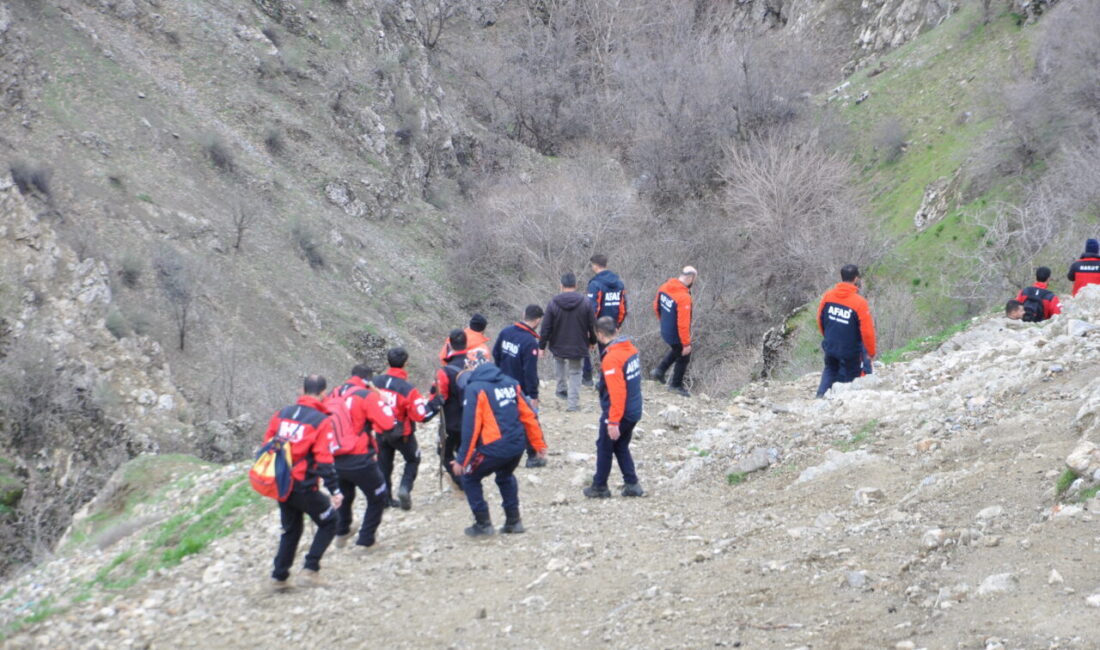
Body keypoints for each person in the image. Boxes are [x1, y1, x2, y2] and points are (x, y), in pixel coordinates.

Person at [263, 375, 343, 590]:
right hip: (303, 485)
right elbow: (324, 459)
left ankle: (279, 577)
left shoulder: (283, 413)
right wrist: (335, 489)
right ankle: (310, 570)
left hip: (280, 482)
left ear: (302, 390)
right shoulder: (320, 420)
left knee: (291, 529)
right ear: (324, 393)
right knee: (330, 521)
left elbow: (268, 443)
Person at [451, 358, 547, 537]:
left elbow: (471, 427)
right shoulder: (511, 383)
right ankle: (514, 521)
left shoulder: (475, 389)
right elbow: (529, 416)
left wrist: (462, 460)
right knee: (505, 476)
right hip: (516, 446)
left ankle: (483, 524)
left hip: (493, 447)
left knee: (469, 477)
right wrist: (538, 444)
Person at [328, 366, 397, 551]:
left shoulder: (334, 393)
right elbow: (388, 424)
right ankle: (366, 540)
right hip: (358, 456)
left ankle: (342, 530)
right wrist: (384, 401)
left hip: (334, 455)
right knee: (378, 496)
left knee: (346, 494)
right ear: (368, 380)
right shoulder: (366, 396)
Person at [584, 317, 644, 499]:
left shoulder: (612, 358)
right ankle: (632, 484)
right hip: (634, 409)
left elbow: (617, 393)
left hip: (620, 412)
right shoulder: (631, 350)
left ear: (600, 334)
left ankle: (599, 486)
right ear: (616, 330)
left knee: (604, 446)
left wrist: (613, 421)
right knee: (620, 446)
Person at [371, 347, 436, 511]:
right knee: (413, 459)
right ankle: (404, 488)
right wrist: (435, 404)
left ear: (387, 362)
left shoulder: (375, 383)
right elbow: (421, 416)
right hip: (402, 433)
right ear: (406, 363)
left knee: (384, 465)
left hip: (380, 430)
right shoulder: (408, 389)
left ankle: (385, 499)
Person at [492, 304, 546, 468]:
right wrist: (534, 395)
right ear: (537, 321)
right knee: (529, 421)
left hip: (502, 384)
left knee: (506, 421)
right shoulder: (530, 341)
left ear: (524, 314)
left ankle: (502, 454)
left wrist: (501, 374)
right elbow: (529, 371)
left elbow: (496, 354)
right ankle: (533, 456)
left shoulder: (506, 332)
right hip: (521, 389)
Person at [816, 264, 877, 398]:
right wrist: (870, 352)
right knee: (850, 378)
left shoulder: (828, 296)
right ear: (856, 278)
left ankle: (820, 397)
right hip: (850, 351)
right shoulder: (859, 302)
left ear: (841, 277)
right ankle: (841, 402)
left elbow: (820, 320)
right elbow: (867, 332)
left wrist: (827, 337)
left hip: (831, 345)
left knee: (830, 370)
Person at [540, 272, 597, 412]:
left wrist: (542, 346)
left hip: (558, 343)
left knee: (559, 362)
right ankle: (573, 404)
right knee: (576, 372)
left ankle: (561, 389)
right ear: (576, 286)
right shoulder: (585, 302)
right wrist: (592, 341)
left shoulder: (553, 302)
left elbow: (546, 327)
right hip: (578, 344)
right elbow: (592, 325)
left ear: (561, 286)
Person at [582, 254, 628, 387]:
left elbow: (592, 309)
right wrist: (618, 324)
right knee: (609, 352)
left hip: (598, 324)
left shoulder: (595, 284)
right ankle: (606, 379)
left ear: (595, 266)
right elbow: (623, 307)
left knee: (584, 345)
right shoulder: (619, 283)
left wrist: (590, 329)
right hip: (612, 324)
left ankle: (587, 377)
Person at [651, 266, 696, 397]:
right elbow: (683, 324)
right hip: (675, 332)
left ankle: (659, 371)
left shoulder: (665, 286)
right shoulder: (684, 297)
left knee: (676, 350)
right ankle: (675, 385)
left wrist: (664, 321)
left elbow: (656, 306)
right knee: (684, 355)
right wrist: (686, 343)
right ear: (691, 278)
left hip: (665, 329)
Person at [434, 329, 469, 488]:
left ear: (449, 345)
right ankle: (469, 475)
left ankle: (462, 482)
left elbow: (441, 397)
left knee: (444, 453)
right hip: (473, 418)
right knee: (466, 450)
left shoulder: (445, 371)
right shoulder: (474, 364)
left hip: (452, 422)